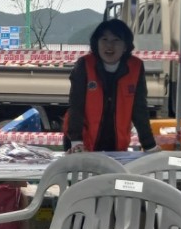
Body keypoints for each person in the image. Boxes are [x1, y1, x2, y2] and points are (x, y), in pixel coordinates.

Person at [65, 18, 158, 154]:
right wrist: (76, 142)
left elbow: (139, 110)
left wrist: (150, 146)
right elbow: (76, 105)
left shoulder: (136, 67)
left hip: (117, 143)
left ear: (125, 46)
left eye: (116, 40)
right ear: (96, 43)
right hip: (82, 143)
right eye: (104, 39)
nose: (109, 45)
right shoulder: (84, 65)